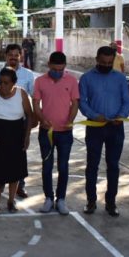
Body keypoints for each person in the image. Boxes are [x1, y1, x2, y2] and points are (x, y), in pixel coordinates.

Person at [79, 46, 129, 216]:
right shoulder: (86, 78)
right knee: (92, 165)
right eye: (103, 62)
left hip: (116, 128)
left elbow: (127, 101)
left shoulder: (120, 78)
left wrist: (121, 115)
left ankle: (111, 202)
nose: (106, 65)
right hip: (94, 127)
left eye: (110, 62)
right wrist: (94, 116)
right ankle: (91, 201)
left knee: (113, 165)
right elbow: (82, 102)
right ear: (97, 59)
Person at [33, 52, 79, 215]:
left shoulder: (71, 81)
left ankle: (61, 199)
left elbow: (75, 103)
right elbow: (36, 103)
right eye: (54, 69)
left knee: (63, 166)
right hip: (46, 132)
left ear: (65, 67)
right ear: (49, 65)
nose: (58, 72)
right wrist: (42, 119)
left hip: (65, 132)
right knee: (47, 166)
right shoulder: (40, 81)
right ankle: (48, 198)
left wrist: (70, 120)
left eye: (61, 70)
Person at [0, 67, 33, 213]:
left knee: (14, 171)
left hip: (16, 135)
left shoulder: (21, 93)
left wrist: (27, 136)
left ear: (14, 83)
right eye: (1, 82)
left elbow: (29, 115)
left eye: (6, 83)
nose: (3, 86)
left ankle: (11, 201)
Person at [0, 43, 35, 199]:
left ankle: (19, 186)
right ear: (6, 56)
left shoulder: (28, 75)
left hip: (18, 122)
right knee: (0, 157)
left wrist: (33, 120)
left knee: (17, 157)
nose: (13, 58)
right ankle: (0, 184)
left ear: (20, 56)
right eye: (10, 55)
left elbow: (33, 97)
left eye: (16, 55)